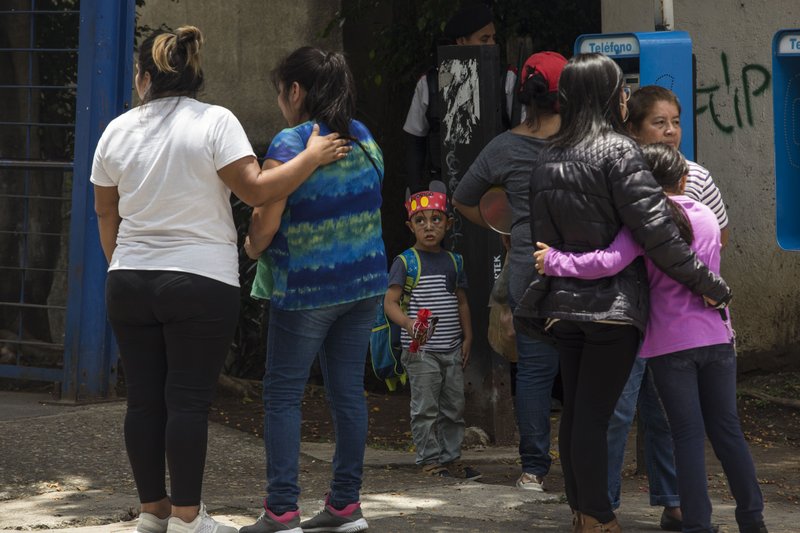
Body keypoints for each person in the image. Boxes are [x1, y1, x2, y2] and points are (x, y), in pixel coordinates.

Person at [90, 27, 348, 533]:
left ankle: (152, 511)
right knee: (186, 400)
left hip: (129, 280)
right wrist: (310, 158)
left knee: (143, 399)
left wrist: (122, 263)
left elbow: (105, 213)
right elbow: (255, 191)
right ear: (196, 75)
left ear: (143, 78)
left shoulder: (115, 131)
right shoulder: (215, 121)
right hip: (200, 281)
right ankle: (189, 517)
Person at [513, 53, 731, 533]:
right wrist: (710, 285)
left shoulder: (547, 156)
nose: (627, 97)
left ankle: (582, 513)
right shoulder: (619, 152)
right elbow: (657, 233)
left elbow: (538, 238)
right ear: (613, 97)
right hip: (612, 310)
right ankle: (599, 517)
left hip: (562, 305)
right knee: (593, 415)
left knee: (576, 415)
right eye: (623, 90)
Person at [535, 143, 767, 533]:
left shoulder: (645, 223)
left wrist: (555, 260)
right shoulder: (709, 216)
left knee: (688, 435)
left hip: (672, 346)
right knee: (727, 430)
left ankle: (698, 525)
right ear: (685, 179)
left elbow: (606, 262)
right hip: (717, 338)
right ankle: (752, 519)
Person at [239, 46, 386, 533]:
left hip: (308, 290)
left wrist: (253, 248)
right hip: (364, 284)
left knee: (282, 394)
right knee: (347, 392)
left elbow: (266, 217)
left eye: (281, 91)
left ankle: (282, 511)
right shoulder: (364, 138)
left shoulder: (291, 141)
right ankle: (346, 506)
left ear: (295, 91)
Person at [605, 85, 733, 532]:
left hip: (676, 322)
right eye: (659, 123)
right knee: (618, 407)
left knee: (668, 415)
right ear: (633, 129)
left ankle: (675, 502)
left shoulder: (696, 176)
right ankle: (603, 508)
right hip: (627, 312)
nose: (670, 131)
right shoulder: (617, 175)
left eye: (675, 122)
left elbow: (718, 237)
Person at [452, 51, 567, 492]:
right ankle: (586, 467)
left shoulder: (504, 145)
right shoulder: (583, 143)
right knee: (579, 372)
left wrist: (508, 226)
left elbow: (464, 198)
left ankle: (534, 470)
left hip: (527, 271)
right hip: (582, 273)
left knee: (535, 374)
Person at [383, 183, 477, 479]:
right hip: (419, 350)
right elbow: (390, 303)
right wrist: (409, 324)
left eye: (436, 219)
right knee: (425, 407)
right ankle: (429, 460)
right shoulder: (405, 262)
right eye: (420, 220)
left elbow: (461, 301)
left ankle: (452, 458)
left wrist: (468, 336)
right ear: (410, 226)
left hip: (451, 347)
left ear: (448, 224)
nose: (429, 227)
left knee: (454, 406)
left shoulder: (454, 261)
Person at [403, 3, 517, 192]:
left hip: (496, 189)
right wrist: (416, 190)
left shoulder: (507, 79)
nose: (491, 44)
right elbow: (415, 141)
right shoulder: (430, 83)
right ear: (462, 41)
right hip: (444, 187)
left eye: (493, 38)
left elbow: (520, 136)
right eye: (484, 38)